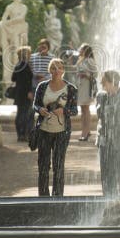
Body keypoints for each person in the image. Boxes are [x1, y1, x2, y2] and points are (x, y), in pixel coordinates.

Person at [33, 58, 78, 196]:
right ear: (50, 70)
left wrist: (63, 111)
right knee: (43, 166)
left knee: (58, 166)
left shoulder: (71, 89)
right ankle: (43, 198)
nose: (56, 71)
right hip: (44, 131)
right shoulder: (42, 86)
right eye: (53, 68)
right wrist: (40, 109)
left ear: (63, 70)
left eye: (59, 68)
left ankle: (58, 198)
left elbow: (75, 111)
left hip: (61, 133)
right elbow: (35, 105)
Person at [95, 70, 120, 197]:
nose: (102, 84)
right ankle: (108, 198)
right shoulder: (101, 96)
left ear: (112, 82)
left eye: (104, 82)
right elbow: (100, 115)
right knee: (106, 172)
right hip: (104, 138)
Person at [76, 44, 98, 141]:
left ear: (85, 50)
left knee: (86, 109)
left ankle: (86, 132)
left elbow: (96, 74)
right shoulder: (80, 60)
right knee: (82, 109)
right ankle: (85, 131)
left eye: (81, 49)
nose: (79, 50)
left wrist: (86, 74)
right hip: (81, 86)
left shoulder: (90, 60)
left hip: (88, 86)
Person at [11, 46, 34, 142]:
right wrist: (30, 92)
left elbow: (13, 78)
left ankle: (20, 134)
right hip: (26, 93)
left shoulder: (17, 65)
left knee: (20, 113)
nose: (30, 55)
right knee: (26, 114)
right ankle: (25, 134)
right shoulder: (27, 66)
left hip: (19, 93)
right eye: (29, 53)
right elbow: (29, 81)